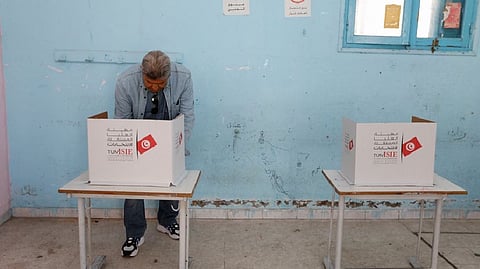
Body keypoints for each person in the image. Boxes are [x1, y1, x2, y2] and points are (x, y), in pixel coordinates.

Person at [114, 50, 194, 257]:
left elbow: (187, 115)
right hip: (136, 134)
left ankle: (167, 222)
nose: (155, 88)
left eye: (161, 84)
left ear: (169, 76)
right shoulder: (125, 82)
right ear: (142, 73)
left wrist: (178, 146)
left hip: (169, 130)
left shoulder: (183, 77)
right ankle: (134, 233)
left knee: (171, 178)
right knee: (133, 182)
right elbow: (123, 121)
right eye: (150, 83)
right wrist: (132, 154)